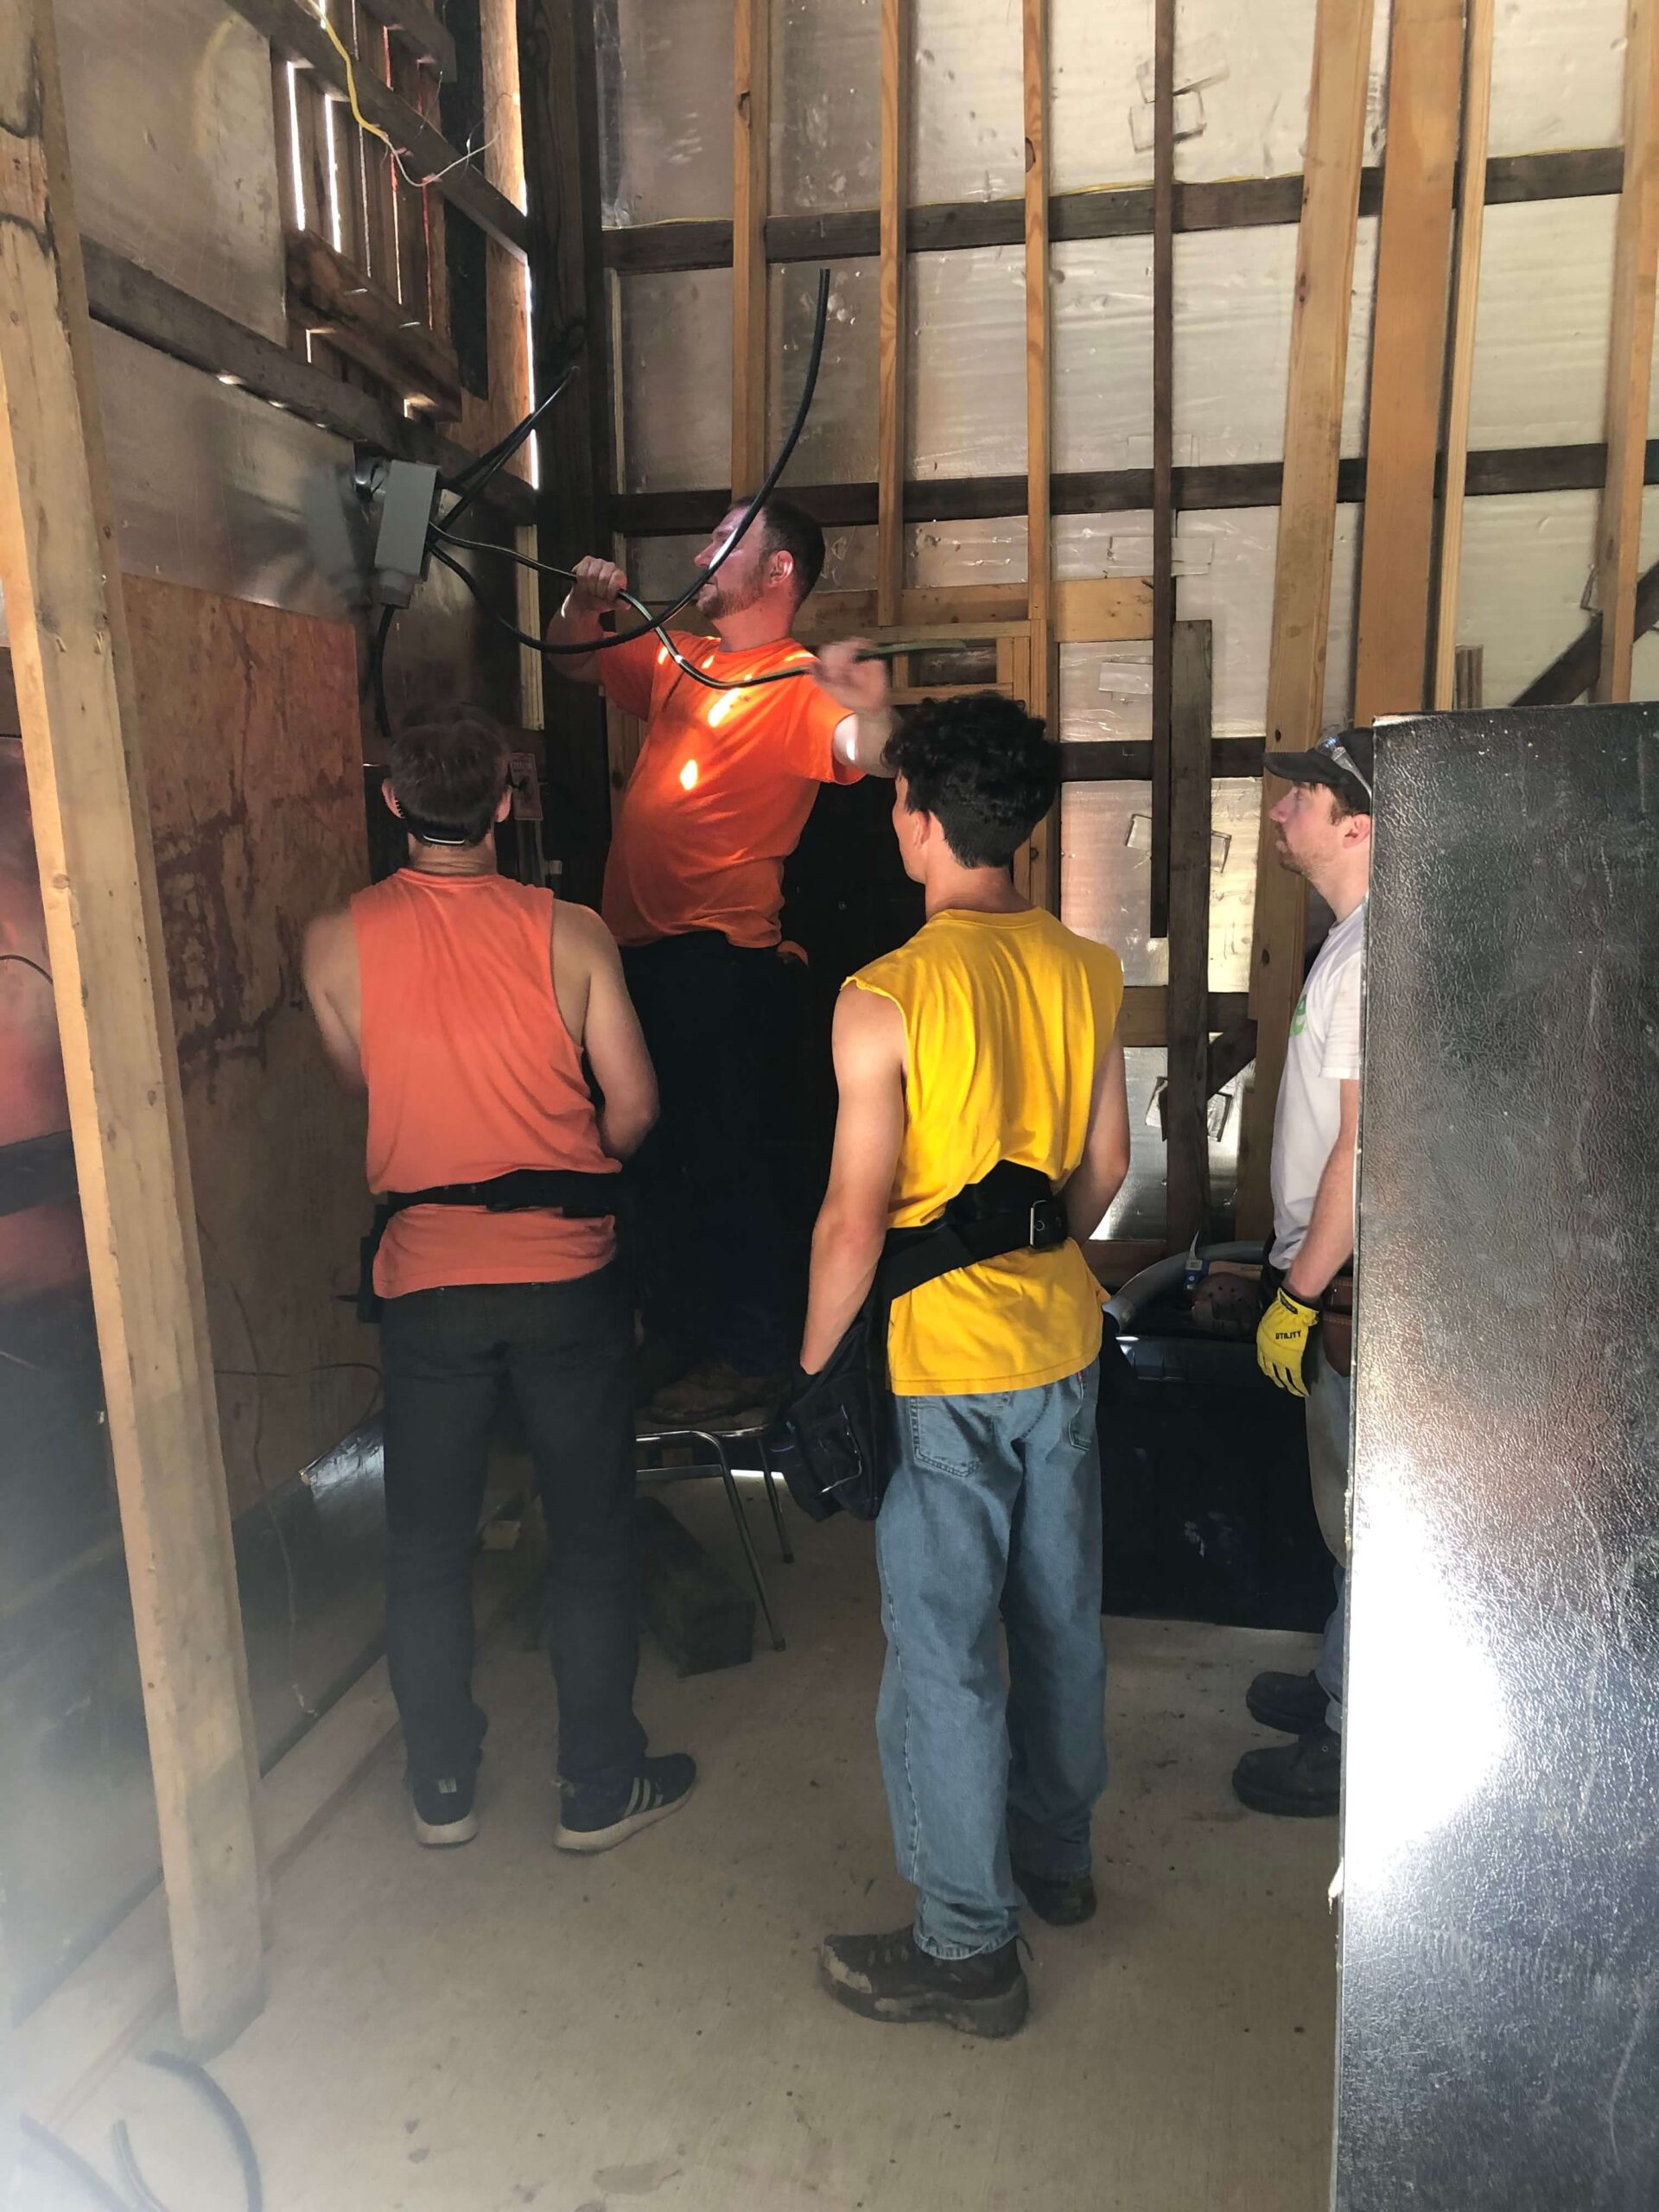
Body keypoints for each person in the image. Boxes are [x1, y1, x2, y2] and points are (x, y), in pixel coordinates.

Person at [302, 706, 695, 1853]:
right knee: (591, 1533)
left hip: (426, 1282)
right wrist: (568, 1171)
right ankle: (596, 1788)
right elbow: (636, 1108)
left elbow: (362, 1085)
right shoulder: (573, 933)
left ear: (392, 802)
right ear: (506, 803)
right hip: (566, 1277)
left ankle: (442, 1788)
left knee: (426, 1546)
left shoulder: (333, 943)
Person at [798, 694, 1131, 2039]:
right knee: (1059, 1615)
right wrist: (1041, 1257)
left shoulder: (884, 996)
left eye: (899, 800)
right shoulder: (1087, 970)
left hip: (939, 1364)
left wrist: (815, 1377)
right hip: (1061, 1342)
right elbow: (1105, 1167)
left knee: (940, 1651)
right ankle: (1058, 1859)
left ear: (923, 820)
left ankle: (966, 1945)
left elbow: (852, 1219)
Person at [546, 499, 895, 1424]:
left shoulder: (797, 681)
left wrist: (871, 706)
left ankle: (752, 1356)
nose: (701, 553)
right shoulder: (679, 656)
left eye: (724, 540)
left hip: (717, 962)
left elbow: (868, 750)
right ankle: (678, 1336)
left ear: (777, 571)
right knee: (657, 1162)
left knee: (727, 1161)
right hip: (637, 957)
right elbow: (572, 657)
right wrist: (583, 604)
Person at [1233, 728, 1373, 1820]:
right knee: (1346, 1516)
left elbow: (1364, 1151)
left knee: (1370, 1527)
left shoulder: (1373, 956)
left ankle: (1347, 1739)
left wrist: (1302, 1292)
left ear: (1359, 826)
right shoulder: (1351, 942)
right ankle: (1337, 1670)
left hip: (1353, 1292)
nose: (1280, 812)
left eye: (1304, 799)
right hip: (1334, 1278)